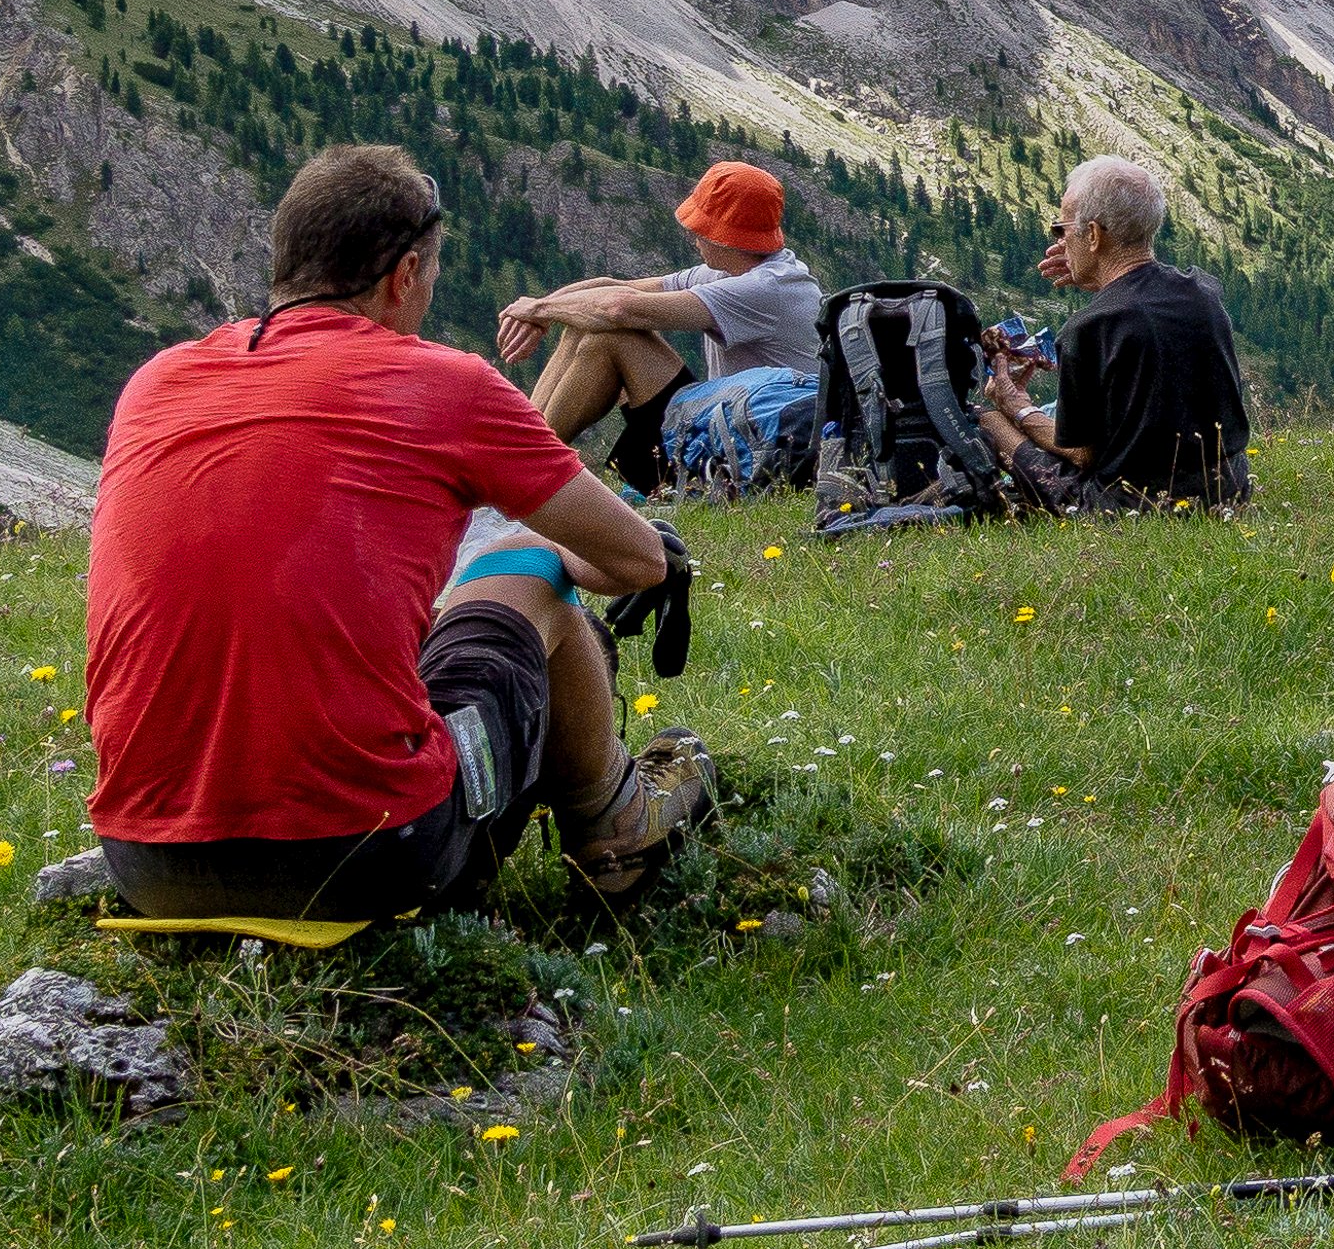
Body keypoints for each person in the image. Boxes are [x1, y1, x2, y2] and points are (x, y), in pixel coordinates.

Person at [85, 142, 712, 923]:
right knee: (528, 567)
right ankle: (617, 826)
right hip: (373, 854)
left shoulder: (155, 382)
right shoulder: (448, 384)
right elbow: (639, 560)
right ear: (405, 275)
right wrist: (558, 553)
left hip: (144, 861)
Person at [493, 160, 822, 475]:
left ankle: (521, 468)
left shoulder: (765, 288)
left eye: (701, 229)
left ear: (725, 238)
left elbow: (618, 308)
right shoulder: (733, 270)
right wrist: (542, 307)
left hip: (757, 448)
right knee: (583, 319)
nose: (693, 237)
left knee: (608, 337)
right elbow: (614, 287)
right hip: (730, 427)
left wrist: (539, 311)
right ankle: (515, 453)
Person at [974, 154, 1252, 508]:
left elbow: (1082, 454)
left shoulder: (1090, 328)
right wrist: (1099, 276)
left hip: (1133, 504)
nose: (1060, 241)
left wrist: (1018, 407)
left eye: (1062, 229)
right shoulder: (1203, 291)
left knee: (985, 420)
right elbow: (1142, 305)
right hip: (1227, 488)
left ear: (1092, 234)